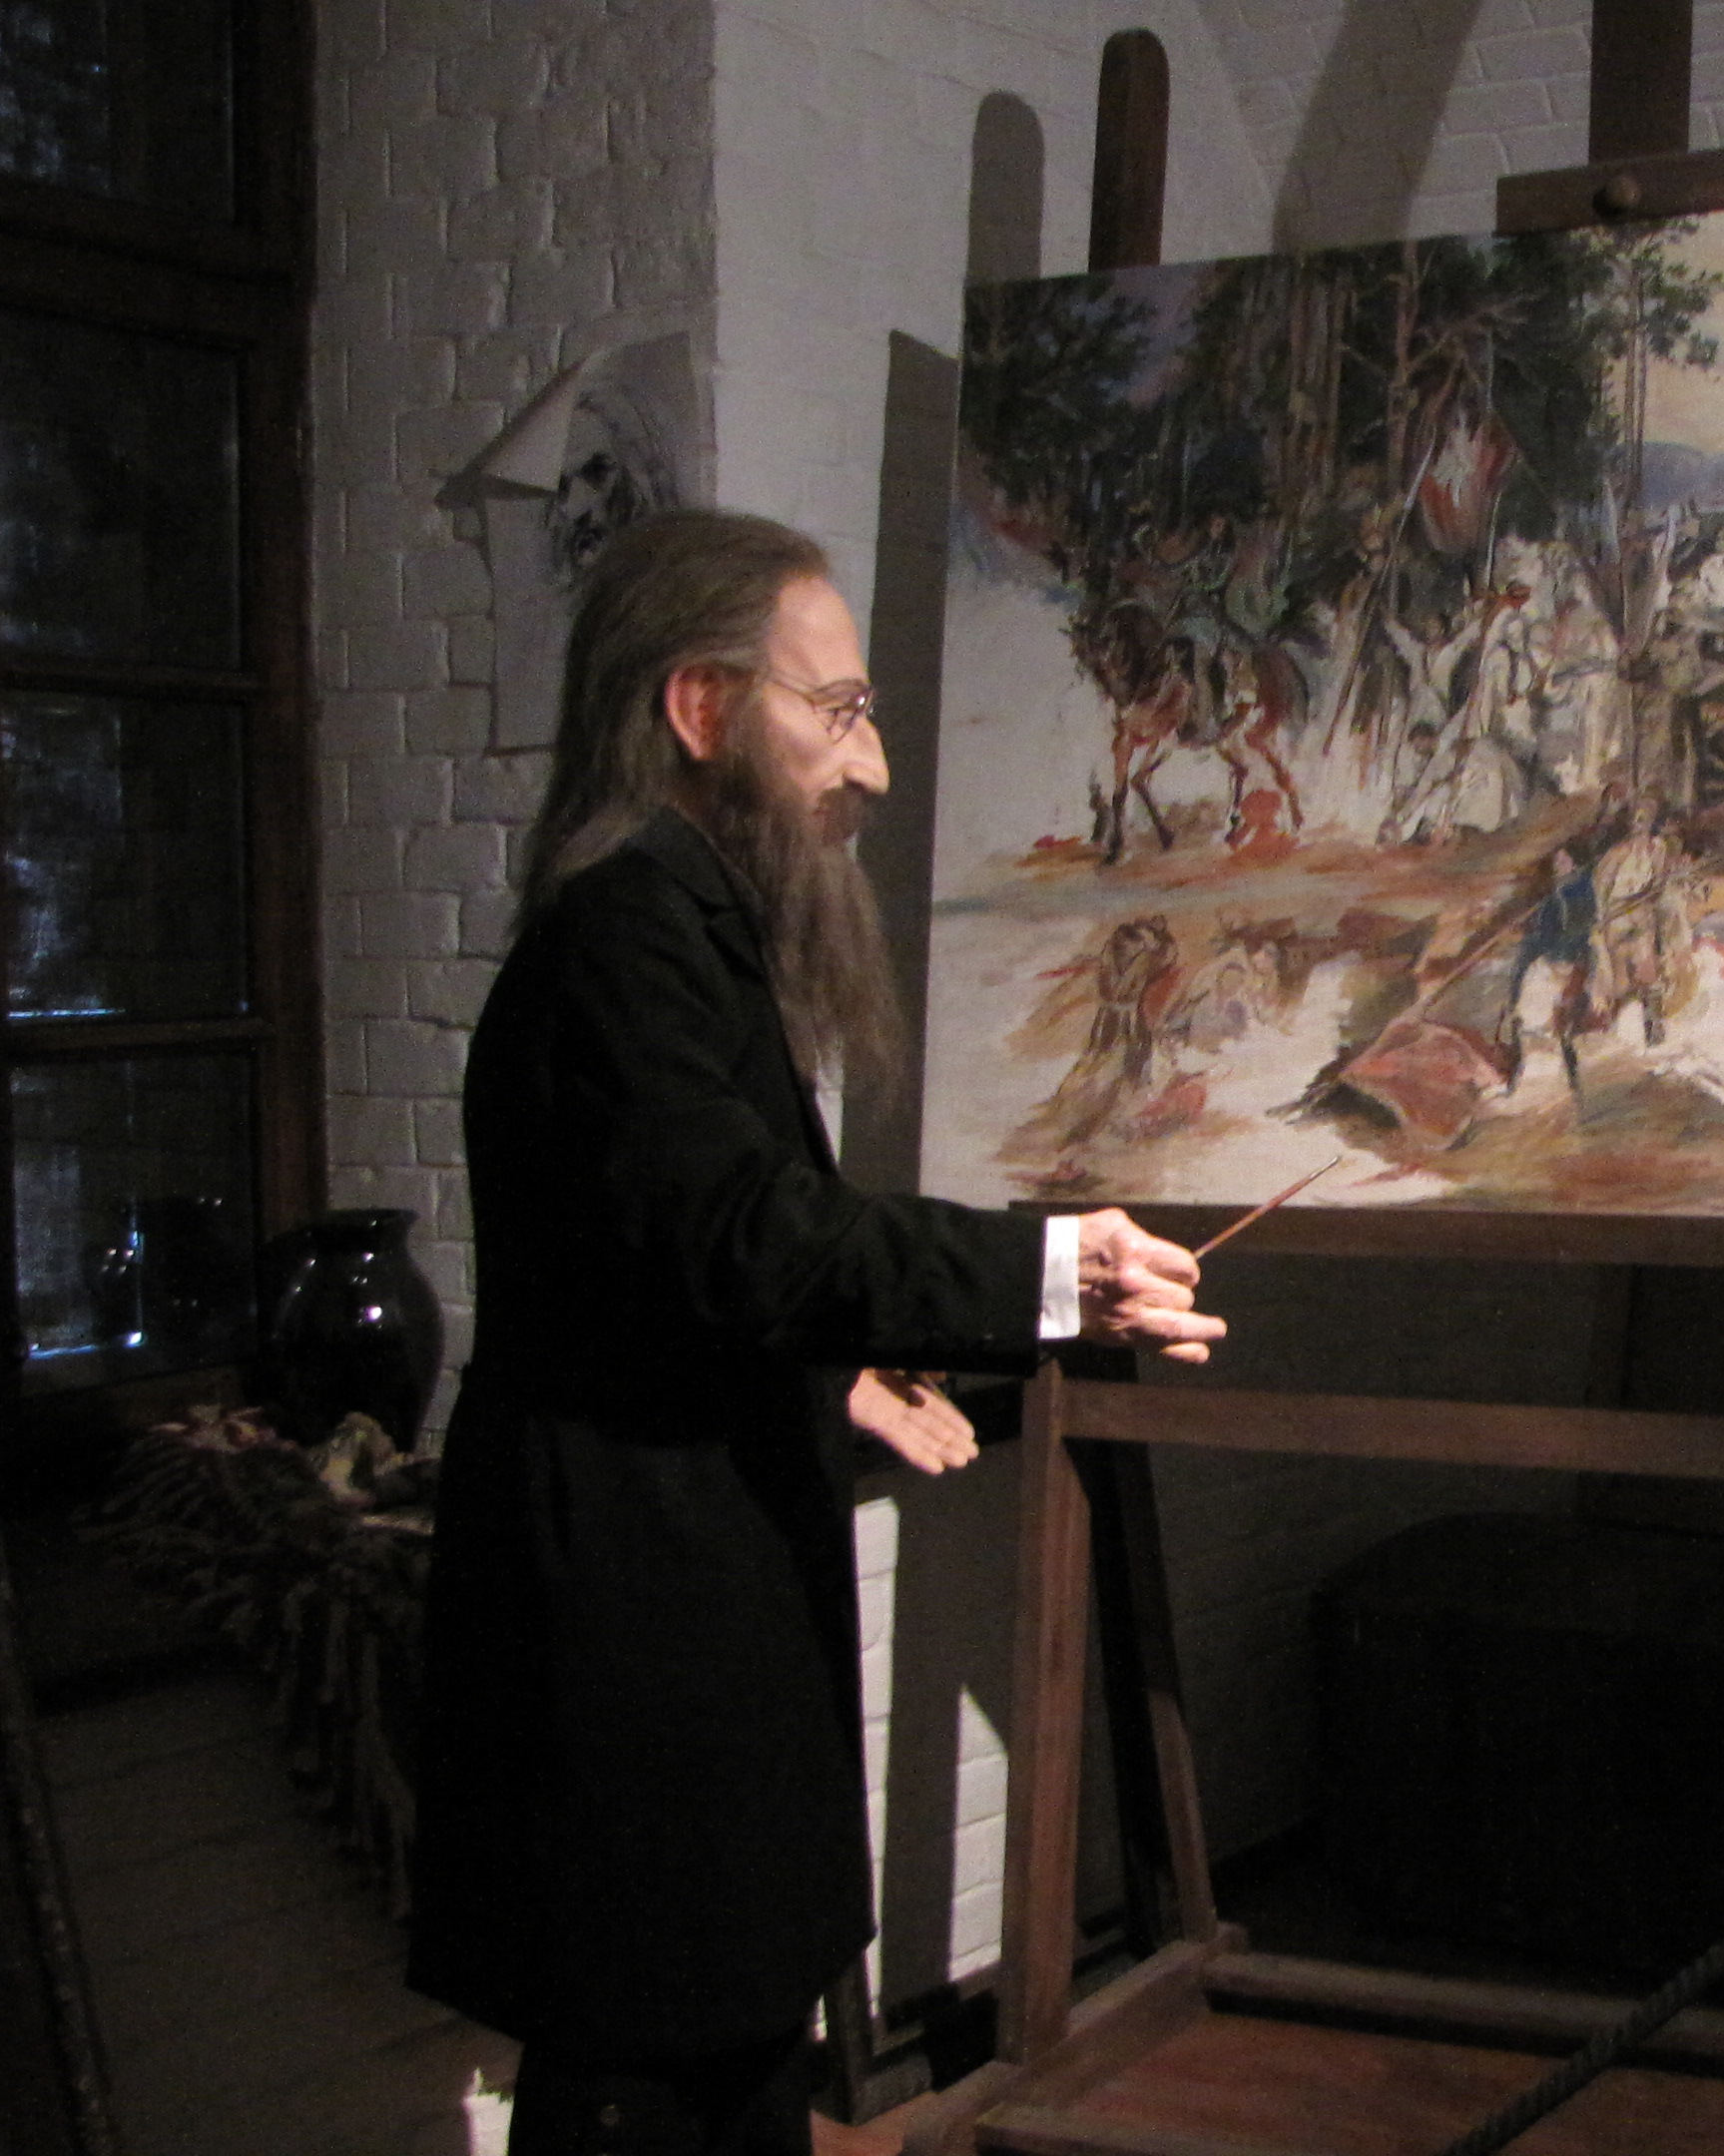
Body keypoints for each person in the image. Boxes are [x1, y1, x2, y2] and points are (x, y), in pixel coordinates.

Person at [412, 510, 1227, 2156]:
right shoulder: (624, 931)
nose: (872, 768)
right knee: (652, 2071)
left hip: (672, 1591)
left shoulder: (677, 925)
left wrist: (839, 1376)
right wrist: (1049, 1270)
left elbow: (659, 1256)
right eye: (839, 710)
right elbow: (746, 1235)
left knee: (726, 2047)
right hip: (626, 1625)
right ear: (701, 709)